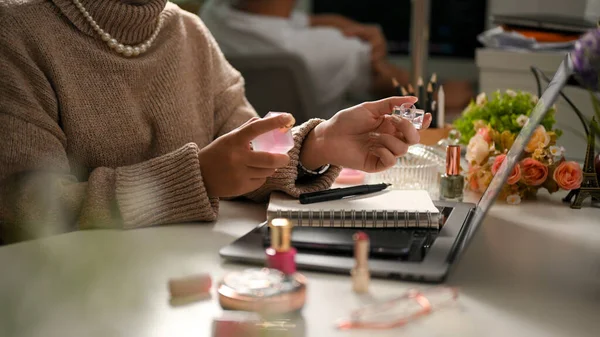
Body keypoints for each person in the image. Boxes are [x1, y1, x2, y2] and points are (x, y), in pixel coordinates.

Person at [0, 0, 431, 244]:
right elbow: (23, 212)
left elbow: (246, 154)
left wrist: (319, 143)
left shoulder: (190, 32)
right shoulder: (16, 32)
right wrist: (198, 178)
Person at [200, 0, 474, 118]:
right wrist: (454, 92)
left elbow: (283, 23)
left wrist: (336, 23)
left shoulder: (211, 17)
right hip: (326, 166)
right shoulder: (338, 50)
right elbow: (401, 91)